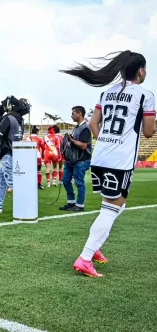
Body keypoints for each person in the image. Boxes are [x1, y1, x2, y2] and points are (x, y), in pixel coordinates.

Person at [61, 50, 156, 277]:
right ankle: (85, 256)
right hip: (119, 160)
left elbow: (94, 124)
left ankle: (95, 246)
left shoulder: (106, 93)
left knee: (114, 205)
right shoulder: (145, 95)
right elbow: (149, 132)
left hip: (101, 155)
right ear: (141, 71)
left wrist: (106, 140)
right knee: (111, 208)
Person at [0, 96, 25, 213]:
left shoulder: (8, 118)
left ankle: (24, 205)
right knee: (1, 181)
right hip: (15, 151)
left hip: (7, 152)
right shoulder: (20, 119)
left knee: (11, 181)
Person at [58, 107, 92, 212]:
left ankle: (80, 205)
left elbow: (83, 145)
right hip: (72, 160)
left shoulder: (85, 127)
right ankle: (71, 202)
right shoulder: (77, 127)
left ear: (79, 113)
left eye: (73, 113)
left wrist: (71, 140)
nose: (71, 115)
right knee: (65, 180)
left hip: (81, 160)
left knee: (79, 182)